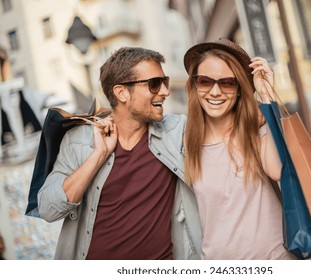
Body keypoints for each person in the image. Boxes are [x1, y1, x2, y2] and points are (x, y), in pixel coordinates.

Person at [38, 47, 202, 260]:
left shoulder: (177, 131)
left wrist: (262, 97)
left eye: (165, 81)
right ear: (121, 92)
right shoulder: (78, 141)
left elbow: (236, 126)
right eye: (154, 84)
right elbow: (48, 209)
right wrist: (97, 156)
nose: (165, 91)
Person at [183, 38, 295, 259]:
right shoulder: (186, 140)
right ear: (195, 85)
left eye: (227, 83)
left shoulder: (255, 128)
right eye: (205, 81)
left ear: (239, 89)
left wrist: (267, 94)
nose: (215, 92)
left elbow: (276, 170)